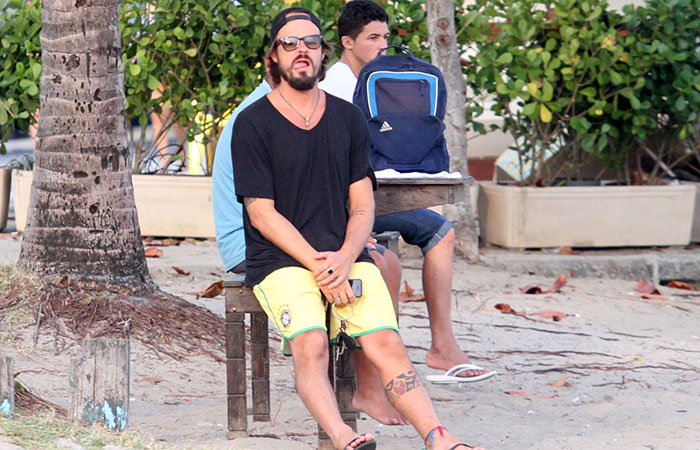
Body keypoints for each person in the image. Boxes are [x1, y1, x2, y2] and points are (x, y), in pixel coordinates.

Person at [231, 7, 485, 450]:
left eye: (310, 42)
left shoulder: (347, 119)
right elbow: (261, 213)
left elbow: (363, 204)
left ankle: (439, 437)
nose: (302, 51)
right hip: (282, 260)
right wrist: (320, 267)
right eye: (289, 44)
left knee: (386, 342)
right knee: (311, 344)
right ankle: (345, 436)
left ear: (323, 52)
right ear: (273, 57)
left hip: (345, 252)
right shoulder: (253, 123)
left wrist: (346, 258)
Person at [212, 37, 405, 431]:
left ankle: (369, 381)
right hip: (253, 242)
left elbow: (324, 194)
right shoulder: (257, 118)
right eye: (291, 53)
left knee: (383, 260)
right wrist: (330, 258)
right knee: (370, 265)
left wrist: (347, 247)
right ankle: (363, 384)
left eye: (310, 51)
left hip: (304, 233)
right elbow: (264, 215)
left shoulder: (320, 114)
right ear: (274, 66)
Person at [319, 0, 495, 382]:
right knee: (436, 233)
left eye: (385, 36)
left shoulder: (385, 81)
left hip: (377, 196)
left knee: (439, 231)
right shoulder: (335, 86)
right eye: (372, 38)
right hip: (343, 207)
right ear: (347, 42)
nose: (383, 45)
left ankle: (441, 347)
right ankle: (422, 354)